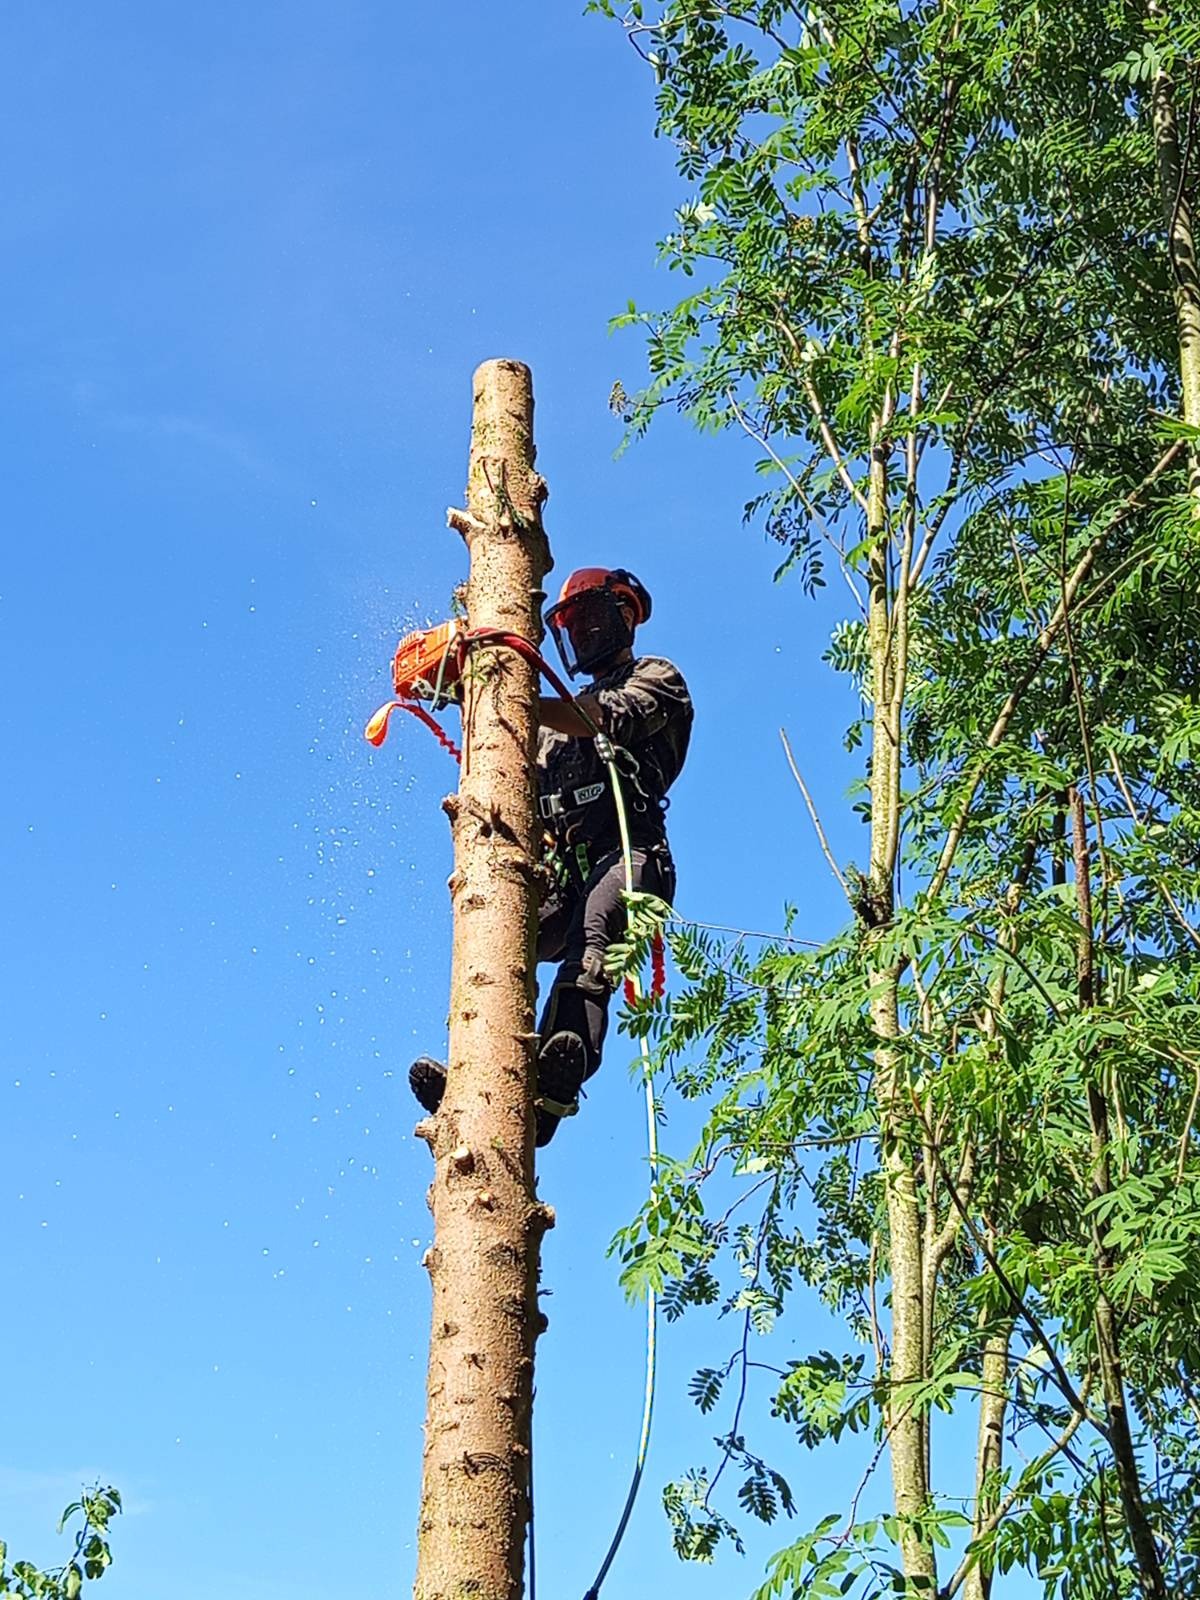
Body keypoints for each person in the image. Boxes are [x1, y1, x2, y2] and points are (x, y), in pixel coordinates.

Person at [409, 565, 693, 1146]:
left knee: (596, 929)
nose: (583, 634)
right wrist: (466, 687)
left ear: (624, 616)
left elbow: (604, 716)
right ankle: (475, 1079)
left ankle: (552, 1088)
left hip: (629, 853)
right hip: (564, 869)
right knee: (496, 941)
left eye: (591, 618)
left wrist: (514, 693)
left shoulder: (657, 678)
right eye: (573, 624)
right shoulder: (546, 729)